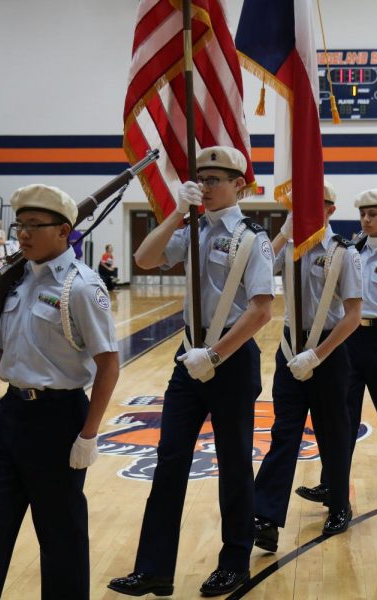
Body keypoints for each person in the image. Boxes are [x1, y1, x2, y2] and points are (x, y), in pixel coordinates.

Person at [0, 184, 120, 599]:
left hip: (59, 420)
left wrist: (89, 433)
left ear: (65, 230)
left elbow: (108, 364)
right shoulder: (13, 283)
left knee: (60, 537)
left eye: (35, 225)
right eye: (20, 225)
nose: (23, 235)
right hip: (11, 417)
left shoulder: (82, 287)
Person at [109, 146, 273, 598]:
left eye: (215, 178)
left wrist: (216, 355)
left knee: (235, 464)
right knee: (170, 461)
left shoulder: (251, 237)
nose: (206, 185)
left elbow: (261, 310)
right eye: (200, 178)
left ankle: (235, 562)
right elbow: (144, 257)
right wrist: (177, 211)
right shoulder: (194, 228)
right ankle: (154, 569)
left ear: (240, 184)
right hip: (188, 359)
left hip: (232, 361)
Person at [253, 181, 362, 554]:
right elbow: (257, 264)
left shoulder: (342, 253)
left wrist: (318, 355)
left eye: (315, 207)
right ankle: (265, 517)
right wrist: (283, 233)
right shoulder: (288, 248)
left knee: (333, 433)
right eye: (299, 209)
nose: (305, 215)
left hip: (328, 354)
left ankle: (339, 503)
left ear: (330, 210)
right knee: (284, 433)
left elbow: (352, 316)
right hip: (289, 349)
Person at [297, 189, 377, 505]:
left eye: (373, 214)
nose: (366, 220)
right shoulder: (350, 250)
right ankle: (331, 482)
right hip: (349, 339)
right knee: (341, 416)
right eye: (362, 214)